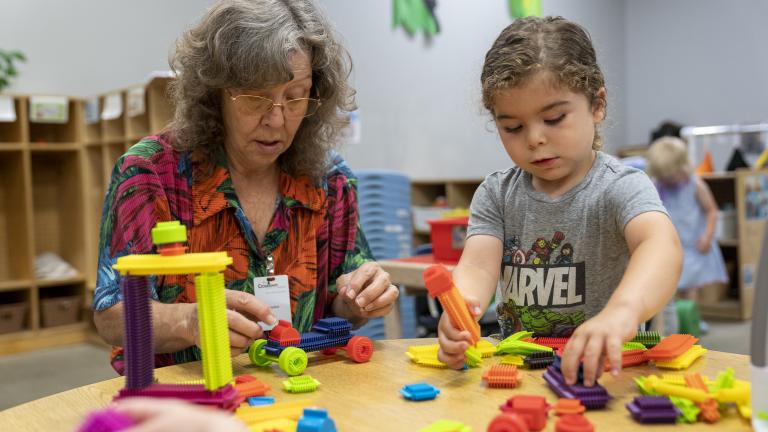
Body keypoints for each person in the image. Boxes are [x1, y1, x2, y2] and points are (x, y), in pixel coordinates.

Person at [92, 0, 399, 373]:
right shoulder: (149, 174)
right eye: (256, 98)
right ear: (215, 92)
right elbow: (111, 317)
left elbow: (340, 310)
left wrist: (360, 299)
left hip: (297, 390)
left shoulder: (330, 180)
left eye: (295, 96)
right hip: (186, 398)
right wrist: (188, 322)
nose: (276, 119)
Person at [436, 16, 682, 387]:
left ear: (597, 105)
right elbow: (479, 268)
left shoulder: (620, 186)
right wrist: (462, 311)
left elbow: (662, 245)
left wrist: (623, 311)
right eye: (513, 127)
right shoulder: (496, 194)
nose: (534, 138)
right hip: (520, 371)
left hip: (607, 373)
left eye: (553, 118)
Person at [646, 136, 728, 334]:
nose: (670, 180)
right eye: (665, 177)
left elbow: (711, 210)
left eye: (672, 175)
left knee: (691, 285)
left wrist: (708, 236)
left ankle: (693, 319)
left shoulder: (695, 184)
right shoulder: (657, 185)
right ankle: (676, 318)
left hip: (693, 243)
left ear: (684, 165)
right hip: (672, 243)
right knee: (672, 284)